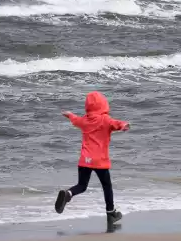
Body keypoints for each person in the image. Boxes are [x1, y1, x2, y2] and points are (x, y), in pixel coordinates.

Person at [55, 91, 130, 226]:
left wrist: (69, 115)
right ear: (103, 104)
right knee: (107, 186)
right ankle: (111, 213)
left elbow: (76, 120)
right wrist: (123, 125)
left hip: (85, 160)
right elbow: (115, 123)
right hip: (99, 161)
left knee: (82, 186)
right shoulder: (105, 119)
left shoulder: (85, 120)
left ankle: (68, 194)